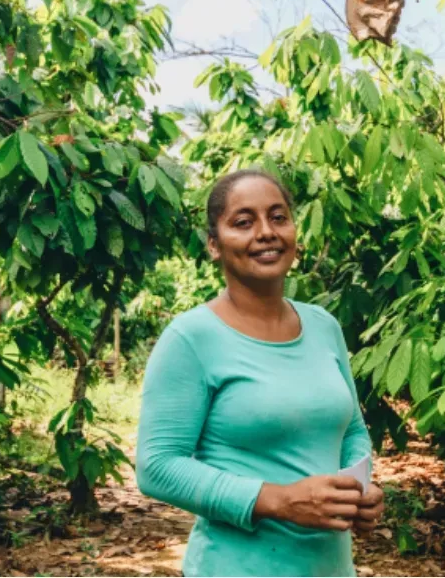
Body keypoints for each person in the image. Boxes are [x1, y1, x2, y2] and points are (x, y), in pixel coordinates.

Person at [136, 168, 385, 577]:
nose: (266, 232)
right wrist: (279, 500)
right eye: (243, 222)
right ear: (214, 245)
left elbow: (353, 431)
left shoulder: (323, 326)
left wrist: (358, 490)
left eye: (278, 217)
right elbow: (157, 466)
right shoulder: (191, 338)